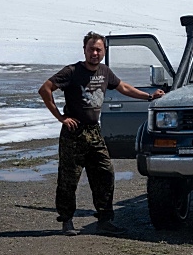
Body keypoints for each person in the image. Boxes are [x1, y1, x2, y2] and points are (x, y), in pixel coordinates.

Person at [38, 31, 164, 236]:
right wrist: (61, 117)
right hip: (74, 133)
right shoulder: (72, 71)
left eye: (98, 49)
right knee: (69, 179)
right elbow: (45, 89)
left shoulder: (105, 72)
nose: (94, 53)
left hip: (95, 132)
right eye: (91, 49)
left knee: (105, 173)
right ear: (84, 50)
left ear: (104, 51)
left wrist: (148, 97)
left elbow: (122, 86)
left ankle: (105, 220)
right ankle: (67, 220)